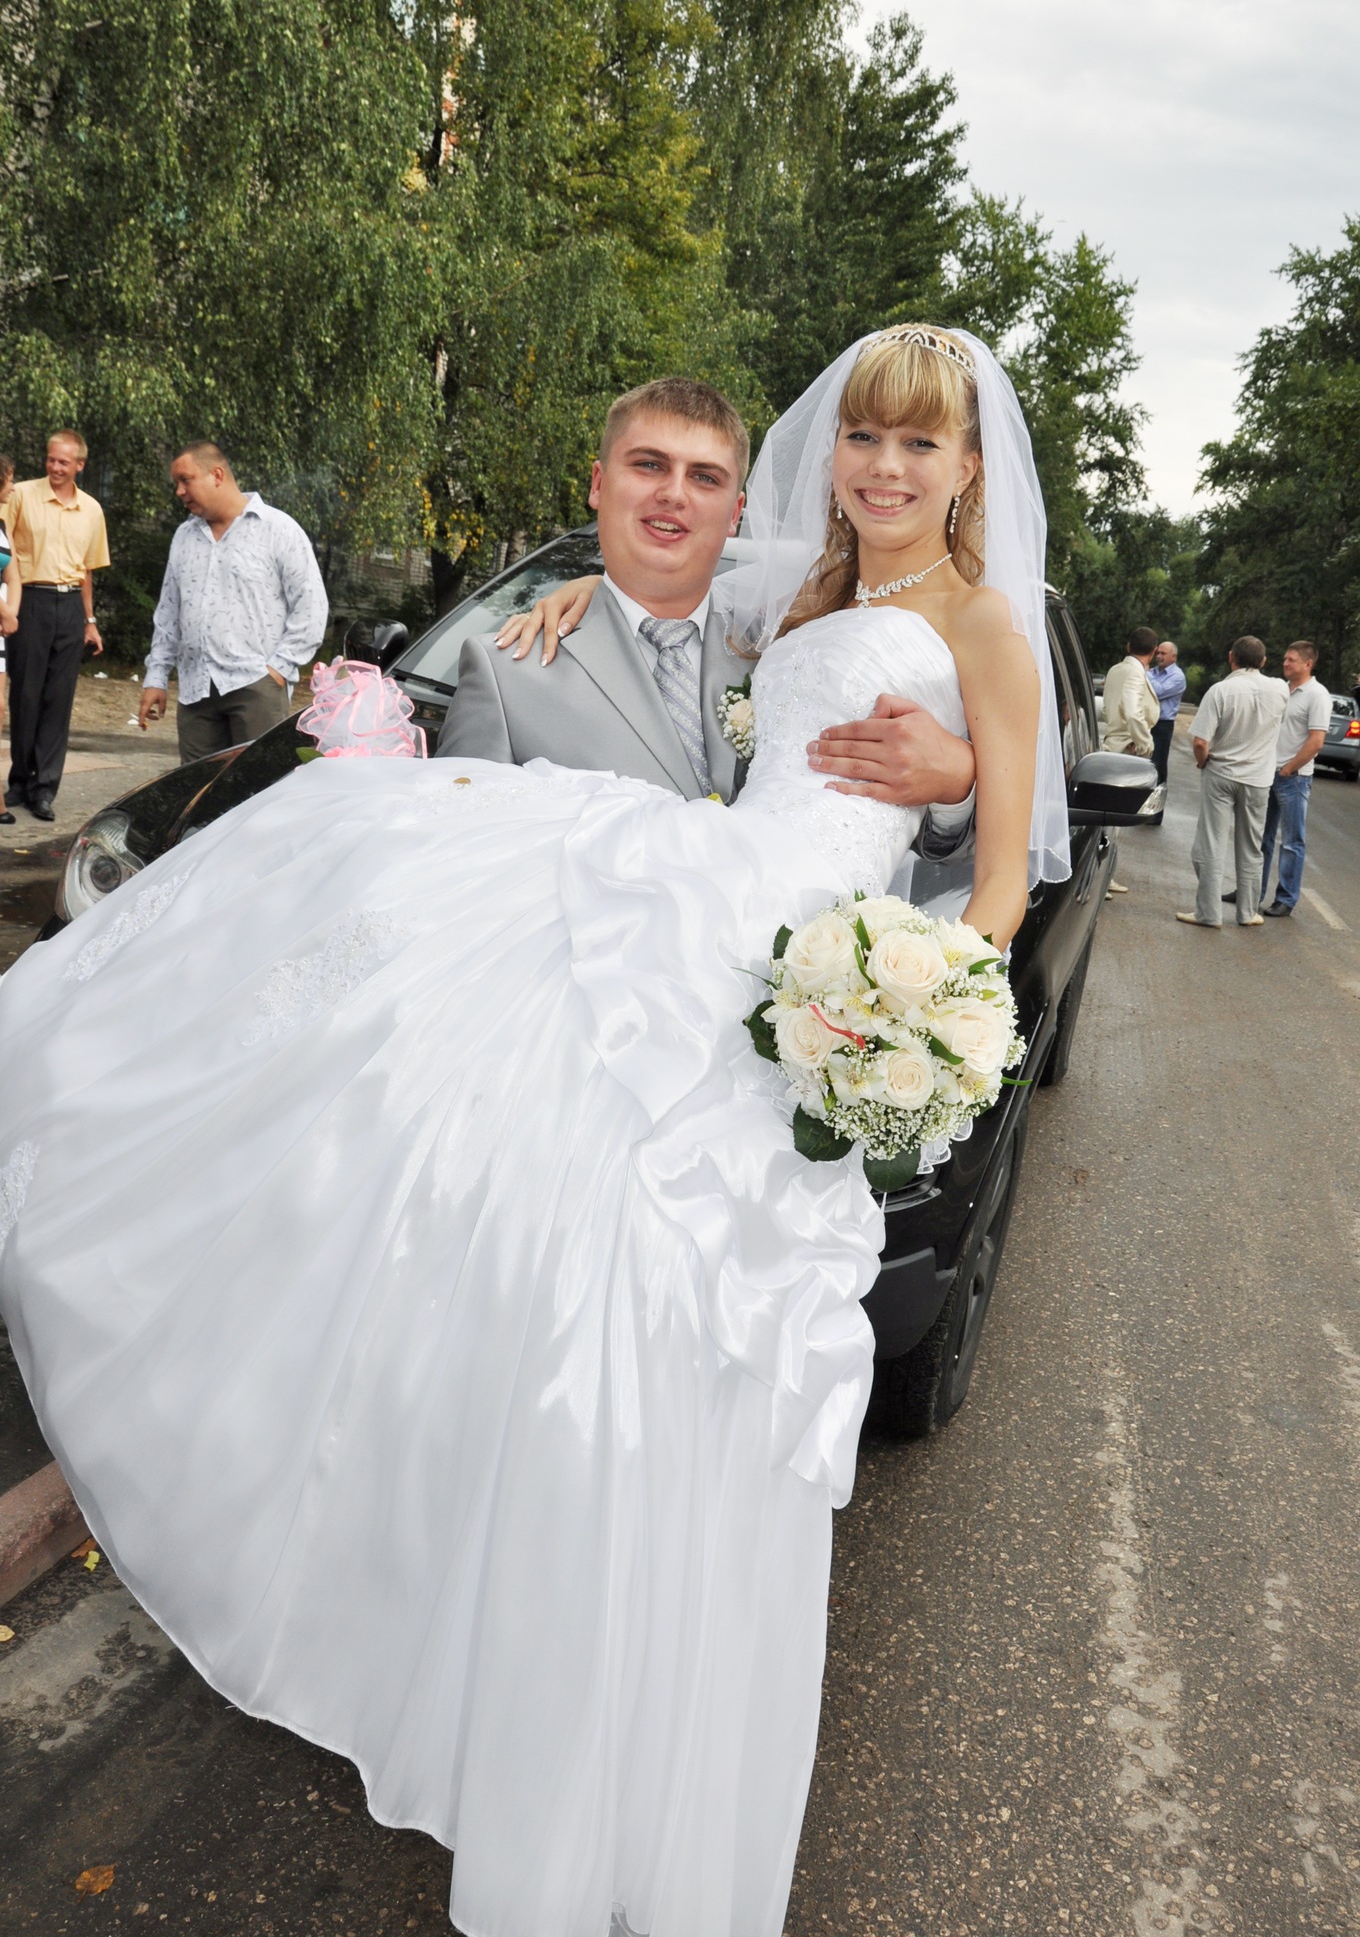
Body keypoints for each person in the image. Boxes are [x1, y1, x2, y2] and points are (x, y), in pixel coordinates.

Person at [0, 327, 1065, 1937]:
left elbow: (1000, 873)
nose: (887, 467)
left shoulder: (984, 619)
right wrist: (565, 599)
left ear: (972, 467)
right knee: (603, 1348)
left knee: (715, 1363)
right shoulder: (797, 589)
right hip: (698, 937)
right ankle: (556, 1713)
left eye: (924, 445)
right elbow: (679, 562)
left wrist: (915, 995)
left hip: (798, 987)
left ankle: (649, 1784)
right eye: (866, 438)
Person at [443, 375, 979, 847]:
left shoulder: (793, 646)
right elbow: (455, 864)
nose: (673, 494)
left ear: (735, 513)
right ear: (599, 484)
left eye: (705, 477)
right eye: (649, 465)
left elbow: (896, 837)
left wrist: (956, 784)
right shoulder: (504, 676)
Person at [139, 441, 329, 762]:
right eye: (177, 483)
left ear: (216, 475)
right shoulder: (184, 536)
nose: (179, 491)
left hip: (255, 686)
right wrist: (156, 677)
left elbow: (311, 607)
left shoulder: (278, 530)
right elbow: (169, 612)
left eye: (185, 480)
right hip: (196, 690)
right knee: (197, 787)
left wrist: (278, 670)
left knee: (256, 785)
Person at [1, 430, 108, 822]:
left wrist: (90, 621)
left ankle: (45, 788)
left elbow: (87, 571)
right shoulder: (22, 495)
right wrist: (8, 607)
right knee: (25, 695)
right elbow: (4, 549)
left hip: (70, 606)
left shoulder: (92, 509)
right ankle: (19, 781)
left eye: (64, 462)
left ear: (80, 464)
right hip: (31, 600)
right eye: (51, 459)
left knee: (58, 700)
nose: (55, 467)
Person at [1177, 636, 1287, 929]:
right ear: (1263, 661)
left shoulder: (1220, 691)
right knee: (1251, 847)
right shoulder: (1279, 689)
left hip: (1221, 773)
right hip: (1259, 779)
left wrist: (1203, 761)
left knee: (1211, 843)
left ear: (1231, 657)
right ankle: (1248, 912)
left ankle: (1208, 913)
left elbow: (1200, 742)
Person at [1249, 639, 1331, 919]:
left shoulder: (1317, 695)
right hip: (1267, 773)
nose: (1285, 663)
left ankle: (1285, 898)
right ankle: (1251, 891)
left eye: (1291, 660)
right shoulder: (1282, 690)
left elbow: (1316, 741)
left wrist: (1288, 769)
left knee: (1292, 842)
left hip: (1293, 778)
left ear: (1308, 664)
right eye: (1284, 658)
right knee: (1260, 837)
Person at [1101, 626, 1160, 757]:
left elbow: (1106, 709)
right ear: (1154, 651)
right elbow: (1133, 713)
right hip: (1128, 748)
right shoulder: (1135, 673)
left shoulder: (1114, 670)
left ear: (1128, 647)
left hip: (1112, 743)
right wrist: (1145, 745)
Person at [0, 455, 18, 826]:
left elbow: (13, 575)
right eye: (10, 478)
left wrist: (10, 614)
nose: (13, 486)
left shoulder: (2, 523)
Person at [1148, 638, 1186, 785]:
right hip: (1147, 722)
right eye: (1158, 653)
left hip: (1162, 725)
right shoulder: (1152, 672)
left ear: (1173, 657)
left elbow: (1158, 691)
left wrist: (1145, 674)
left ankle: (1158, 792)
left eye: (1163, 653)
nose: (1158, 656)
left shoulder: (1178, 677)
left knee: (1157, 763)